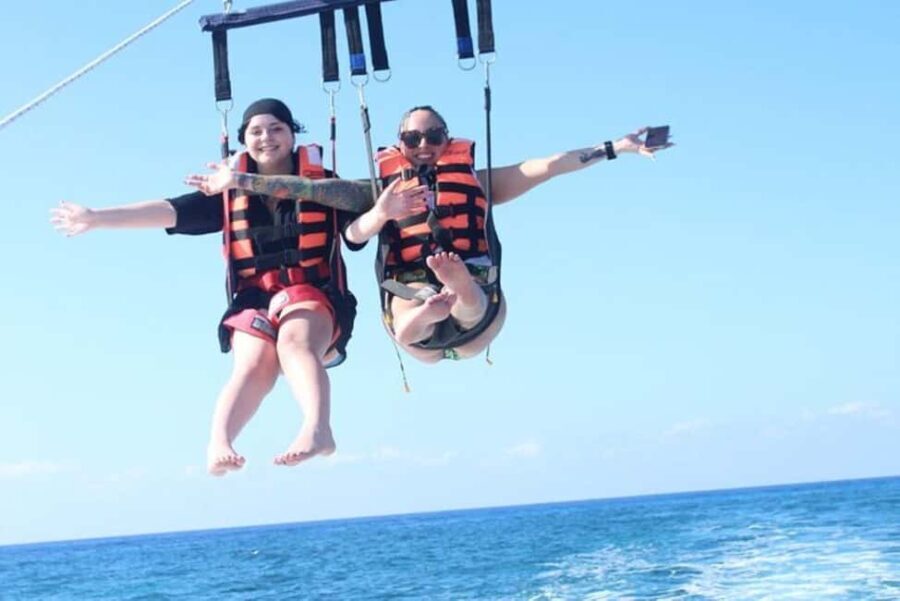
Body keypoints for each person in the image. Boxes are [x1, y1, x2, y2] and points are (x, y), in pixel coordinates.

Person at [186, 105, 673, 364]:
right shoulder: (378, 189)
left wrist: (617, 147)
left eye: (434, 136)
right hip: (413, 302)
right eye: (412, 138)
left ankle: (454, 290)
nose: (424, 145)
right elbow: (318, 198)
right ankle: (432, 305)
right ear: (399, 144)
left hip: (478, 311)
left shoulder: (478, 182)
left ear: (447, 139)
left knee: (468, 300)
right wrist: (241, 180)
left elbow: (546, 166)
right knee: (410, 322)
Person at [50, 98, 375, 476]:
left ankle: (318, 429)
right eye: (256, 131)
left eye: (276, 129)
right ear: (243, 140)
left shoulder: (323, 183)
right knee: (253, 362)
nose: (266, 138)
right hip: (255, 298)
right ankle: (220, 442)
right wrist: (96, 218)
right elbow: (170, 211)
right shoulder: (225, 191)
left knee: (293, 343)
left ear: (292, 135)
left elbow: (360, 209)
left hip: (314, 293)